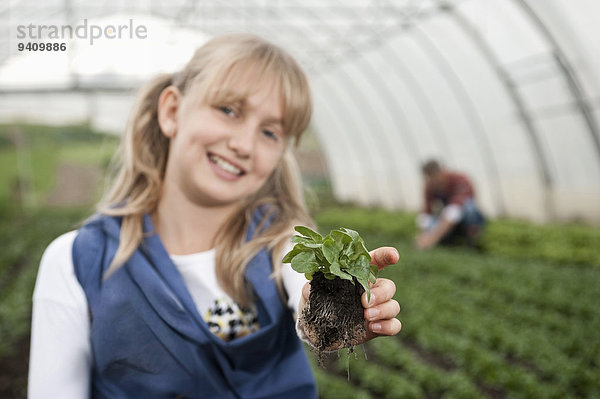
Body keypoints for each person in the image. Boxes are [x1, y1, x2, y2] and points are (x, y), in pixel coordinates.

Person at [28, 34, 402, 399]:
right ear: (172, 111)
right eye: (228, 110)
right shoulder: (77, 261)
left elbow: (302, 294)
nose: (243, 144)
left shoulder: (280, 246)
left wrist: (342, 302)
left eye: (270, 132)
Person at [415, 159, 485, 250]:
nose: (433, 181)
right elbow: (427, 211)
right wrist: (423, 234)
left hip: (466, 217)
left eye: (434, 177)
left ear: (441, 171)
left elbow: (453, 211)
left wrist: (431, 239)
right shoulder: (430, 185)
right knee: (432, 224)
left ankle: (471, 239)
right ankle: (450, 239)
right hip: (448, 216)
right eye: (429, 178)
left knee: (469, 208)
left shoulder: (460, 180)